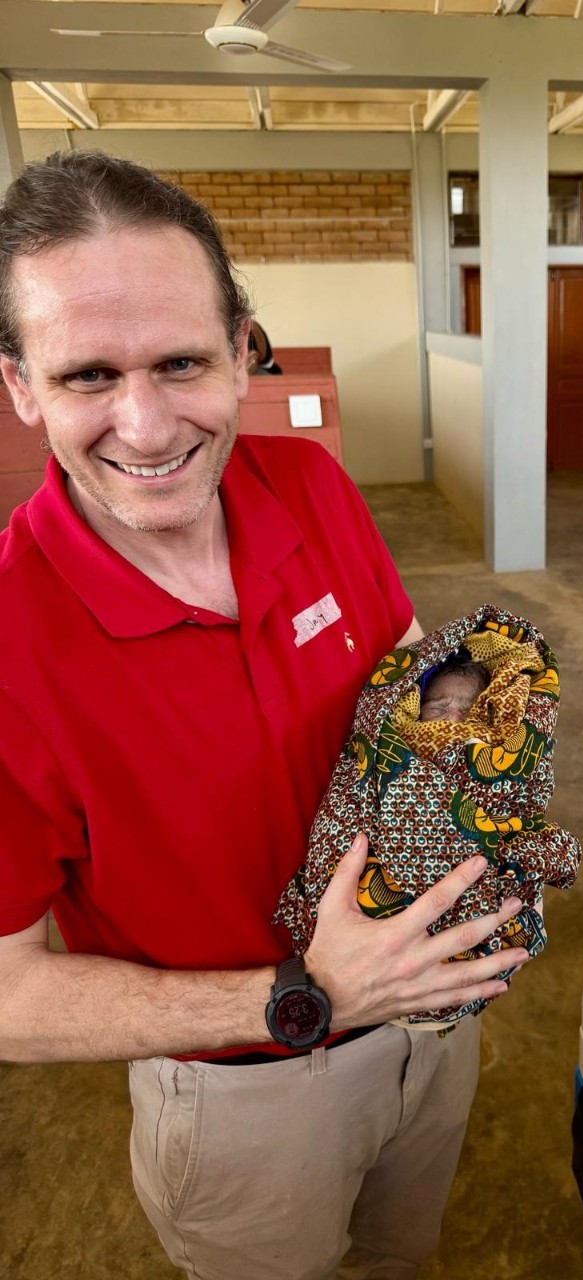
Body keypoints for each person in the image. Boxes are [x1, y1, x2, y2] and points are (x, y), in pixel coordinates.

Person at [0, 151, 531, 1280]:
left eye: (181, 361)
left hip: (435, 1025)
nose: (145, 427)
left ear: (243, 347)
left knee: (404, 1256)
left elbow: (401, 684)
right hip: (247, 1090)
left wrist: (476, 795)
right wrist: (306, 993)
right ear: (19, 387)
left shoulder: (311, 487)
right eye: (88, 374)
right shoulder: (9, 641)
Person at [273, 606, 582, 1027]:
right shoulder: (387, 750)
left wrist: (514, 855)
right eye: (437, 707)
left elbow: (526, 813)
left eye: (468, 709)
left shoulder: (502, 753)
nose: (453, 719)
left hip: (462, 976)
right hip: (328, 991)